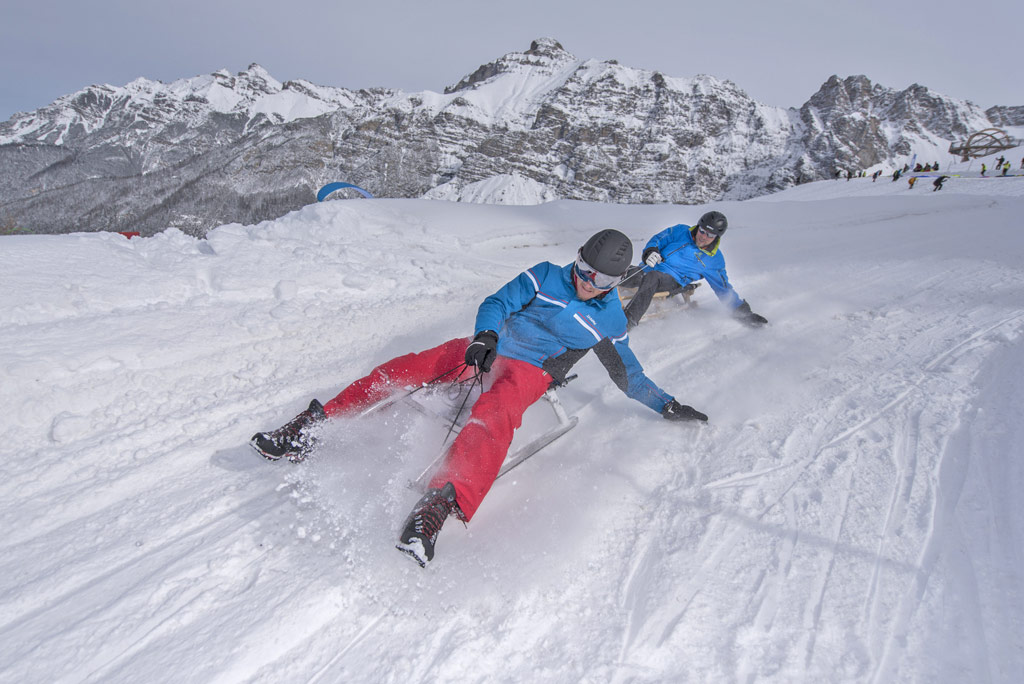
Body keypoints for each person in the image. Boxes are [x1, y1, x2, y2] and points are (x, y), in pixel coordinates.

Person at [250, 230, 708, 567]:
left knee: (494, 415)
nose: (589, 283)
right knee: (404, 369)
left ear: (616, 281)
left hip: (529, 371)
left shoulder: (608, 318)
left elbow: (625, 371)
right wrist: (485, 335)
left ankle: (438, 506)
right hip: (488, 345)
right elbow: (498, 301)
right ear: (578, 259)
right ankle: (313, 425)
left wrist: (664, 403)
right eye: (585, 271)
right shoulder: (546, 276)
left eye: (603, 280)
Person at [622, 211, 767, 330]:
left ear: (717, 237)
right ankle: (599, 297)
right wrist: (650, 251)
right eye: (702, 231)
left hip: (672, 281)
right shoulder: (681, 231)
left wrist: (744, 313)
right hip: (645, 270)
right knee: (621, 270)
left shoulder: (713, 260)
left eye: (710, 235)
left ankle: (627, 322)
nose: (703, 237)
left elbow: (723, 289)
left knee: (653, 277)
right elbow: (659, 239)